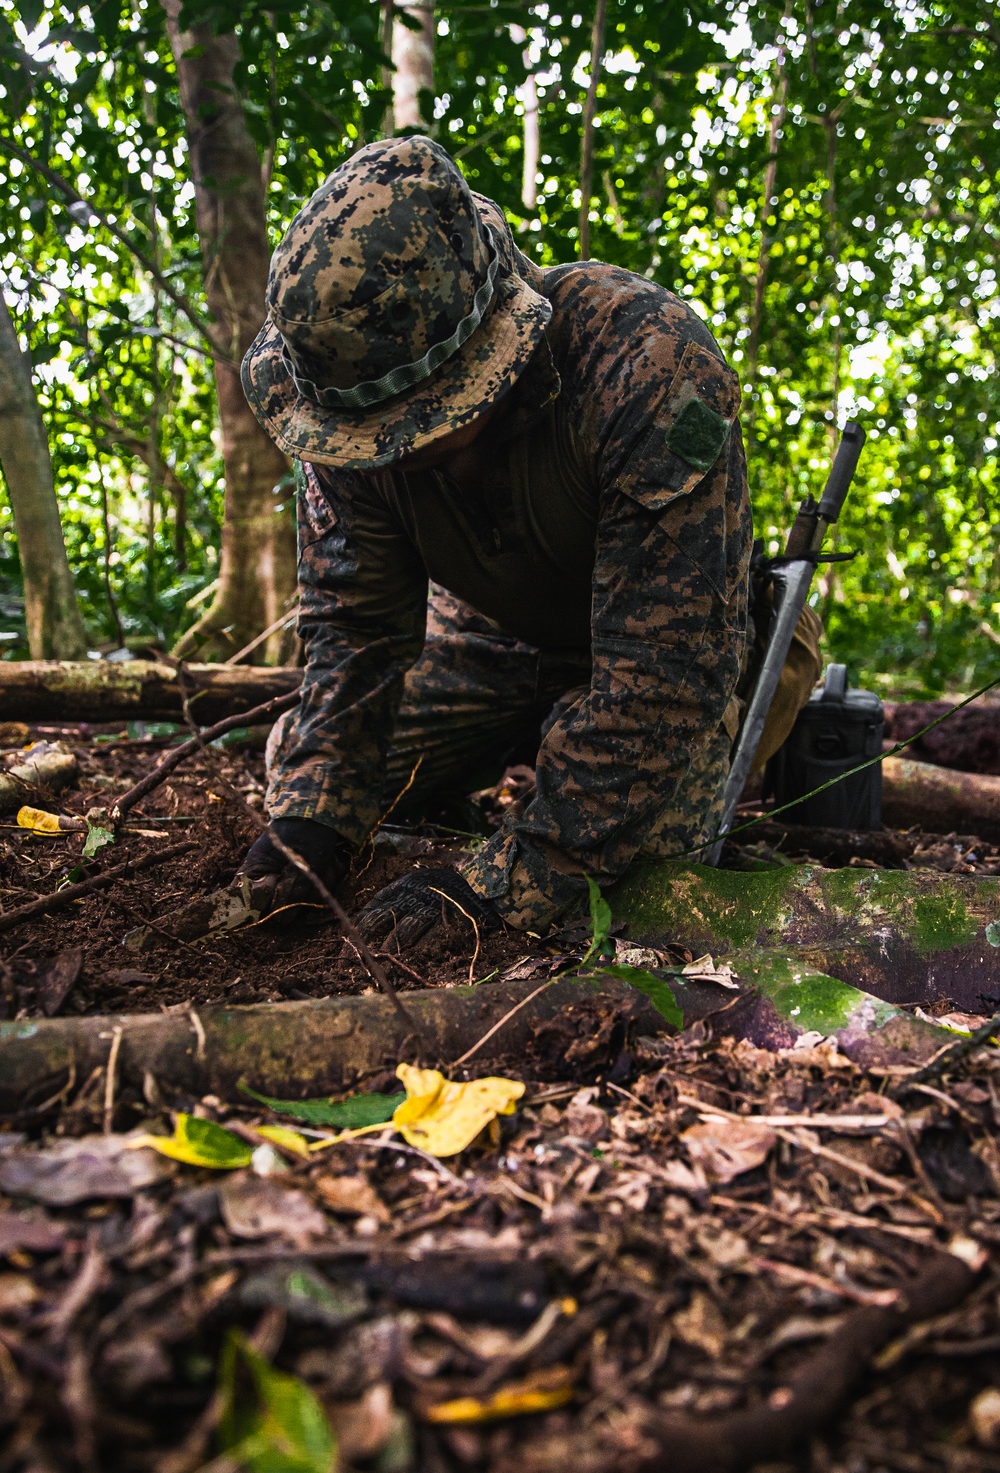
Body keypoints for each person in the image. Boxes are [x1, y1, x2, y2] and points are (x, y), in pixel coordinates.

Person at [237, 134, 819, 946]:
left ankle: (647, 763)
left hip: (681, 653)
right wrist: (313, 828)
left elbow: (666, 676)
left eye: (403, 429)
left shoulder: (646, 359)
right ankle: (518, 756)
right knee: (297, 765)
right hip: (492, 643)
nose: (380, 452)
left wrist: (495, 885)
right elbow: (356, 632)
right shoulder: (345, 404)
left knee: (663, 851)